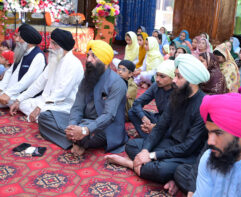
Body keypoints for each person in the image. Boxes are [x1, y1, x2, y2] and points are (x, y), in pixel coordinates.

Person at [105, 54, 210, 185]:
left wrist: (152, 156)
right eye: (175, 75)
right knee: (132, 146)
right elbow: (161, 126)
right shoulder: (177, 96)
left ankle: (132, 164)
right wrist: (145, 150)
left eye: (179, 77)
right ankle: (150, 165)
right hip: (169, 143)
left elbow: (188, 147)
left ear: (192, 80)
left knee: (164, 170)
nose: (174, 80)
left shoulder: (204, 105)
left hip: (187, 154)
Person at [38, 40, 128, 156]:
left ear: (105, 61)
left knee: (88, 131)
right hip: (83, 122)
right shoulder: (87, 77)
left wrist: (85, 130)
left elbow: (108, 116)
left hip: (103, 128)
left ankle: (78, 139)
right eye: (88, 55)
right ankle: (78, 140)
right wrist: (73, 125)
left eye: (94, 56)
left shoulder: (117, 83)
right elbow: (77, 106)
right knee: (44, 117)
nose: (89, 59)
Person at [9, 28, 84, 122]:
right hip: (45, 100)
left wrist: (39, 108)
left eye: (53, 44)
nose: (50, 46)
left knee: (45, 113)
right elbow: (39, 83)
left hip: (63, 104)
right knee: (22, 103)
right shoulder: (55, 59)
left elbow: (62, 93)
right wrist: (18, 100)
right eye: (51, 43)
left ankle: (45, 117)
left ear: (62, 46)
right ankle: (42, 117)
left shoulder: (73, 64)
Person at [0, 23, 46, 107]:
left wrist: (8, 93)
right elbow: (9, 72)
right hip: (10, 91)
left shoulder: (38, 56)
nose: (16, 39)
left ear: (28, 41)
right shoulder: (22, 51)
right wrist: (2, 88)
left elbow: (28, 80)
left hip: (21, 96)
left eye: (20, 37)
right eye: (17, 36)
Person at [129, 60, 175, 138]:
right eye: (157, 75)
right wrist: (143, 117)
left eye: (162, 76)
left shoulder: (179, 91)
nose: (157, 79)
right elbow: (137, 103)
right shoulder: (156, 85)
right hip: (159, 118)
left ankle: (153, 140)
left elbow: (177, 120)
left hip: (172, 124)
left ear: (172, 77)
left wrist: (155, 126)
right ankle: (148, 139)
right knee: (132, 111)